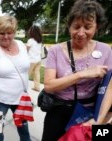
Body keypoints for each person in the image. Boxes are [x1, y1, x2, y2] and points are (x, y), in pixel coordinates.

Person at [41, 0, 112, 140]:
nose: (81, 33)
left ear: (97, 27)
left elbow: (110, 88)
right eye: (76, 27)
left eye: (87, 27)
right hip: (58, 111)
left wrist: (98, 121)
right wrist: (82, 74)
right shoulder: (55, 51)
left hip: (89, 113)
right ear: (69, 26)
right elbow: (49, 86)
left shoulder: (105, 50)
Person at [26, 25, 43, 92]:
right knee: (37, 74)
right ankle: (37, 87)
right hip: (38, 60)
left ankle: (23, 88)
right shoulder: (40, 40)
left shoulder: (30, 40)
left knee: (26, 74)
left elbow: (26, 50)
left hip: (31, 60)